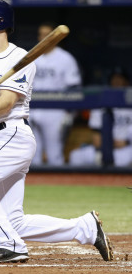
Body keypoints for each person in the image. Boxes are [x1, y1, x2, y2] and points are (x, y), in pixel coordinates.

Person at [0, 0, 113, 263]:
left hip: (12, 135)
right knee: (15, 221)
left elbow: (7, 102)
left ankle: (10, 245)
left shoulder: (21, 59)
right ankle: (86, 228)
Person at [30, 22, 82, 166]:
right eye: (41, 34)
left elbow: (74, 87)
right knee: (32, 153)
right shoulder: (32, 57)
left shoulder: (65, 58)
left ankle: (58, 185)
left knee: (54, 153)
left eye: (48, 34)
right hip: (32, 109)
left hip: (55, 110)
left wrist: (70, 113)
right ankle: (35, 187)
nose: (44, 38)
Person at [69, 67, 132, 167]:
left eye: (120, 78)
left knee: (122, 160)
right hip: (105, 147)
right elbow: (96, 139)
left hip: (126, 148)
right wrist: (110, 145)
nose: (117, 81)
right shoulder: (101, 104)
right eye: (114, 78)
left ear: (126, 82)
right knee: (76, 156)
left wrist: (126, 143)